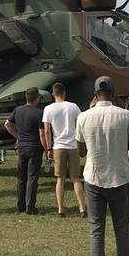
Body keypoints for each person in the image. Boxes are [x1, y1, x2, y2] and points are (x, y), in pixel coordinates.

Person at [76, 76, 129, 256]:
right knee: (122, 231)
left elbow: (81, 151)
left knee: (96, 232)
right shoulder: (125, 115)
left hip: (94, 177)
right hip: (119, 177)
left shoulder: (83, 116)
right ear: (113, 93)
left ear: (95, 94)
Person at [42, 82, 87, 217]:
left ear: (53, 94)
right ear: (64, 93)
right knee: (76, 178)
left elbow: (46, 131)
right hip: (72, 145)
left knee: (60, 178)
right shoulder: (73, 106)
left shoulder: (48, 109)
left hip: (58, 146)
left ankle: (61, 209)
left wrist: (49, 147)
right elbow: (80, 123)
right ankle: (82, 208)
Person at [5, 87, 45, 215]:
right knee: (32, 178)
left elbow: (7, 123)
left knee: (21, 177)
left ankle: (20, 205)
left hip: (21, 146)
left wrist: (17, 136)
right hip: (34, 147)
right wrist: (46, 147)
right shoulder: (39, 113)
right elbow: (42, 133)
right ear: (37, 98)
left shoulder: (18, 110)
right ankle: (30, 206)